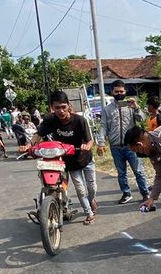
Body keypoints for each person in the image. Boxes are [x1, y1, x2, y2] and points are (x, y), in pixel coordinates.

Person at [37, 90, 97, 224]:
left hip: (86, 158)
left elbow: (90, 140)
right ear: (52, 107)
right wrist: (29, 145)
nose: (61, 111)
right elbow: (38, 134)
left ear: (69, 106)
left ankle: (91, 200)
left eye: (63, 107)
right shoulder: (50, 120)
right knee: (80, 189)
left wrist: (87, 146)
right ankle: (89, 212)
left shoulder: (80, 120)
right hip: (70, 162)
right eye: (57, 108)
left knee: (92, 188)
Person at [96, 79, 149, 204]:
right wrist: (101, 142)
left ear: (125, 91)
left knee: (138, 171)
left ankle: (145, 193)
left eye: (121, 91)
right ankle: (126, 193)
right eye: (116, 91)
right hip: (115, 146)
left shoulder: (131, 106)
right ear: (112, 92)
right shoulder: (107, 109)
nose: (119, 93)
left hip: (132, 146)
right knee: (121, 172)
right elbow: (103, 126)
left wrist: (136, 108)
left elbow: (142, 118)